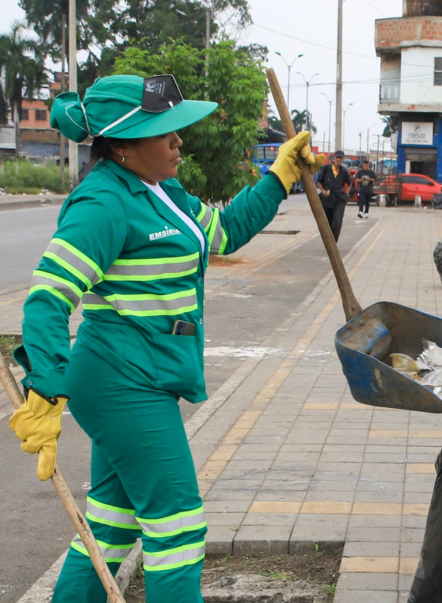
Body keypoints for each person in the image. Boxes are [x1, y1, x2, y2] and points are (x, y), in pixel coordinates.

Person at [6, 74, 320, 603]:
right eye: (165, 132)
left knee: (110, 525)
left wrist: (279, 175)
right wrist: (46, 387)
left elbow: (221, 232)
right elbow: (47, 300)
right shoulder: (102, 203)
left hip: (147, 378)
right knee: (176, 530)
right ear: (123, 145)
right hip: (121, 383)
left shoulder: (160, 191)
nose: (179, 141)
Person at [316, 150, 351, 241]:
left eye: (341, 158)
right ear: (334, 158)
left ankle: (333, 242)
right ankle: (328, 241)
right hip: (327, 199)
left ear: (343, 159)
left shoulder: (344, 171)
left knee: (337, 222)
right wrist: (323, 191)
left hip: (339, 199)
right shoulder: (325, 168)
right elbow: (319, 182)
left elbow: (350, 183)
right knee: (327, 222)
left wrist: (346, 192)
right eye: (337, 157)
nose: (339, 159)